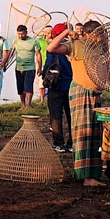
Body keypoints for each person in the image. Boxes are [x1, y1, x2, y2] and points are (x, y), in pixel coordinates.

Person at [46, 20, 106, 188]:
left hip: (95, 95)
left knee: (95, 135)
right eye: (96, 36)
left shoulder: (101, 48)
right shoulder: (75, 44)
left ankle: (93, 174)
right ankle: (85, 176)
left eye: (101, 36)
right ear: (87, 34)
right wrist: (66, 33)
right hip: (80, 92)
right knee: (82, 134)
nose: (99, 39)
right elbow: (51, 48)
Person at [43, 24, 73, 152]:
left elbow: (48, 66)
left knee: (55, 116)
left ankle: (58, 143)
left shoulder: (54, 48)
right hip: (71, 86)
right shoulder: (73, 47)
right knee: (72, 116)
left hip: (56, 86)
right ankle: (73, 143)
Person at [12, 25, 40, 109]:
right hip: (19, 67)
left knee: (28, 87)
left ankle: (28, 105)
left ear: (26, 33)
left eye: (22, 34)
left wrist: (39, 67)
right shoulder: (15, 41)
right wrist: (4, 63)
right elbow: (11, 52)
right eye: (19, 34)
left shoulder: (33, 41)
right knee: (20, 88)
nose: (21, 36)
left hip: (30, 67)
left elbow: (38, 55)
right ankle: (23, 104)